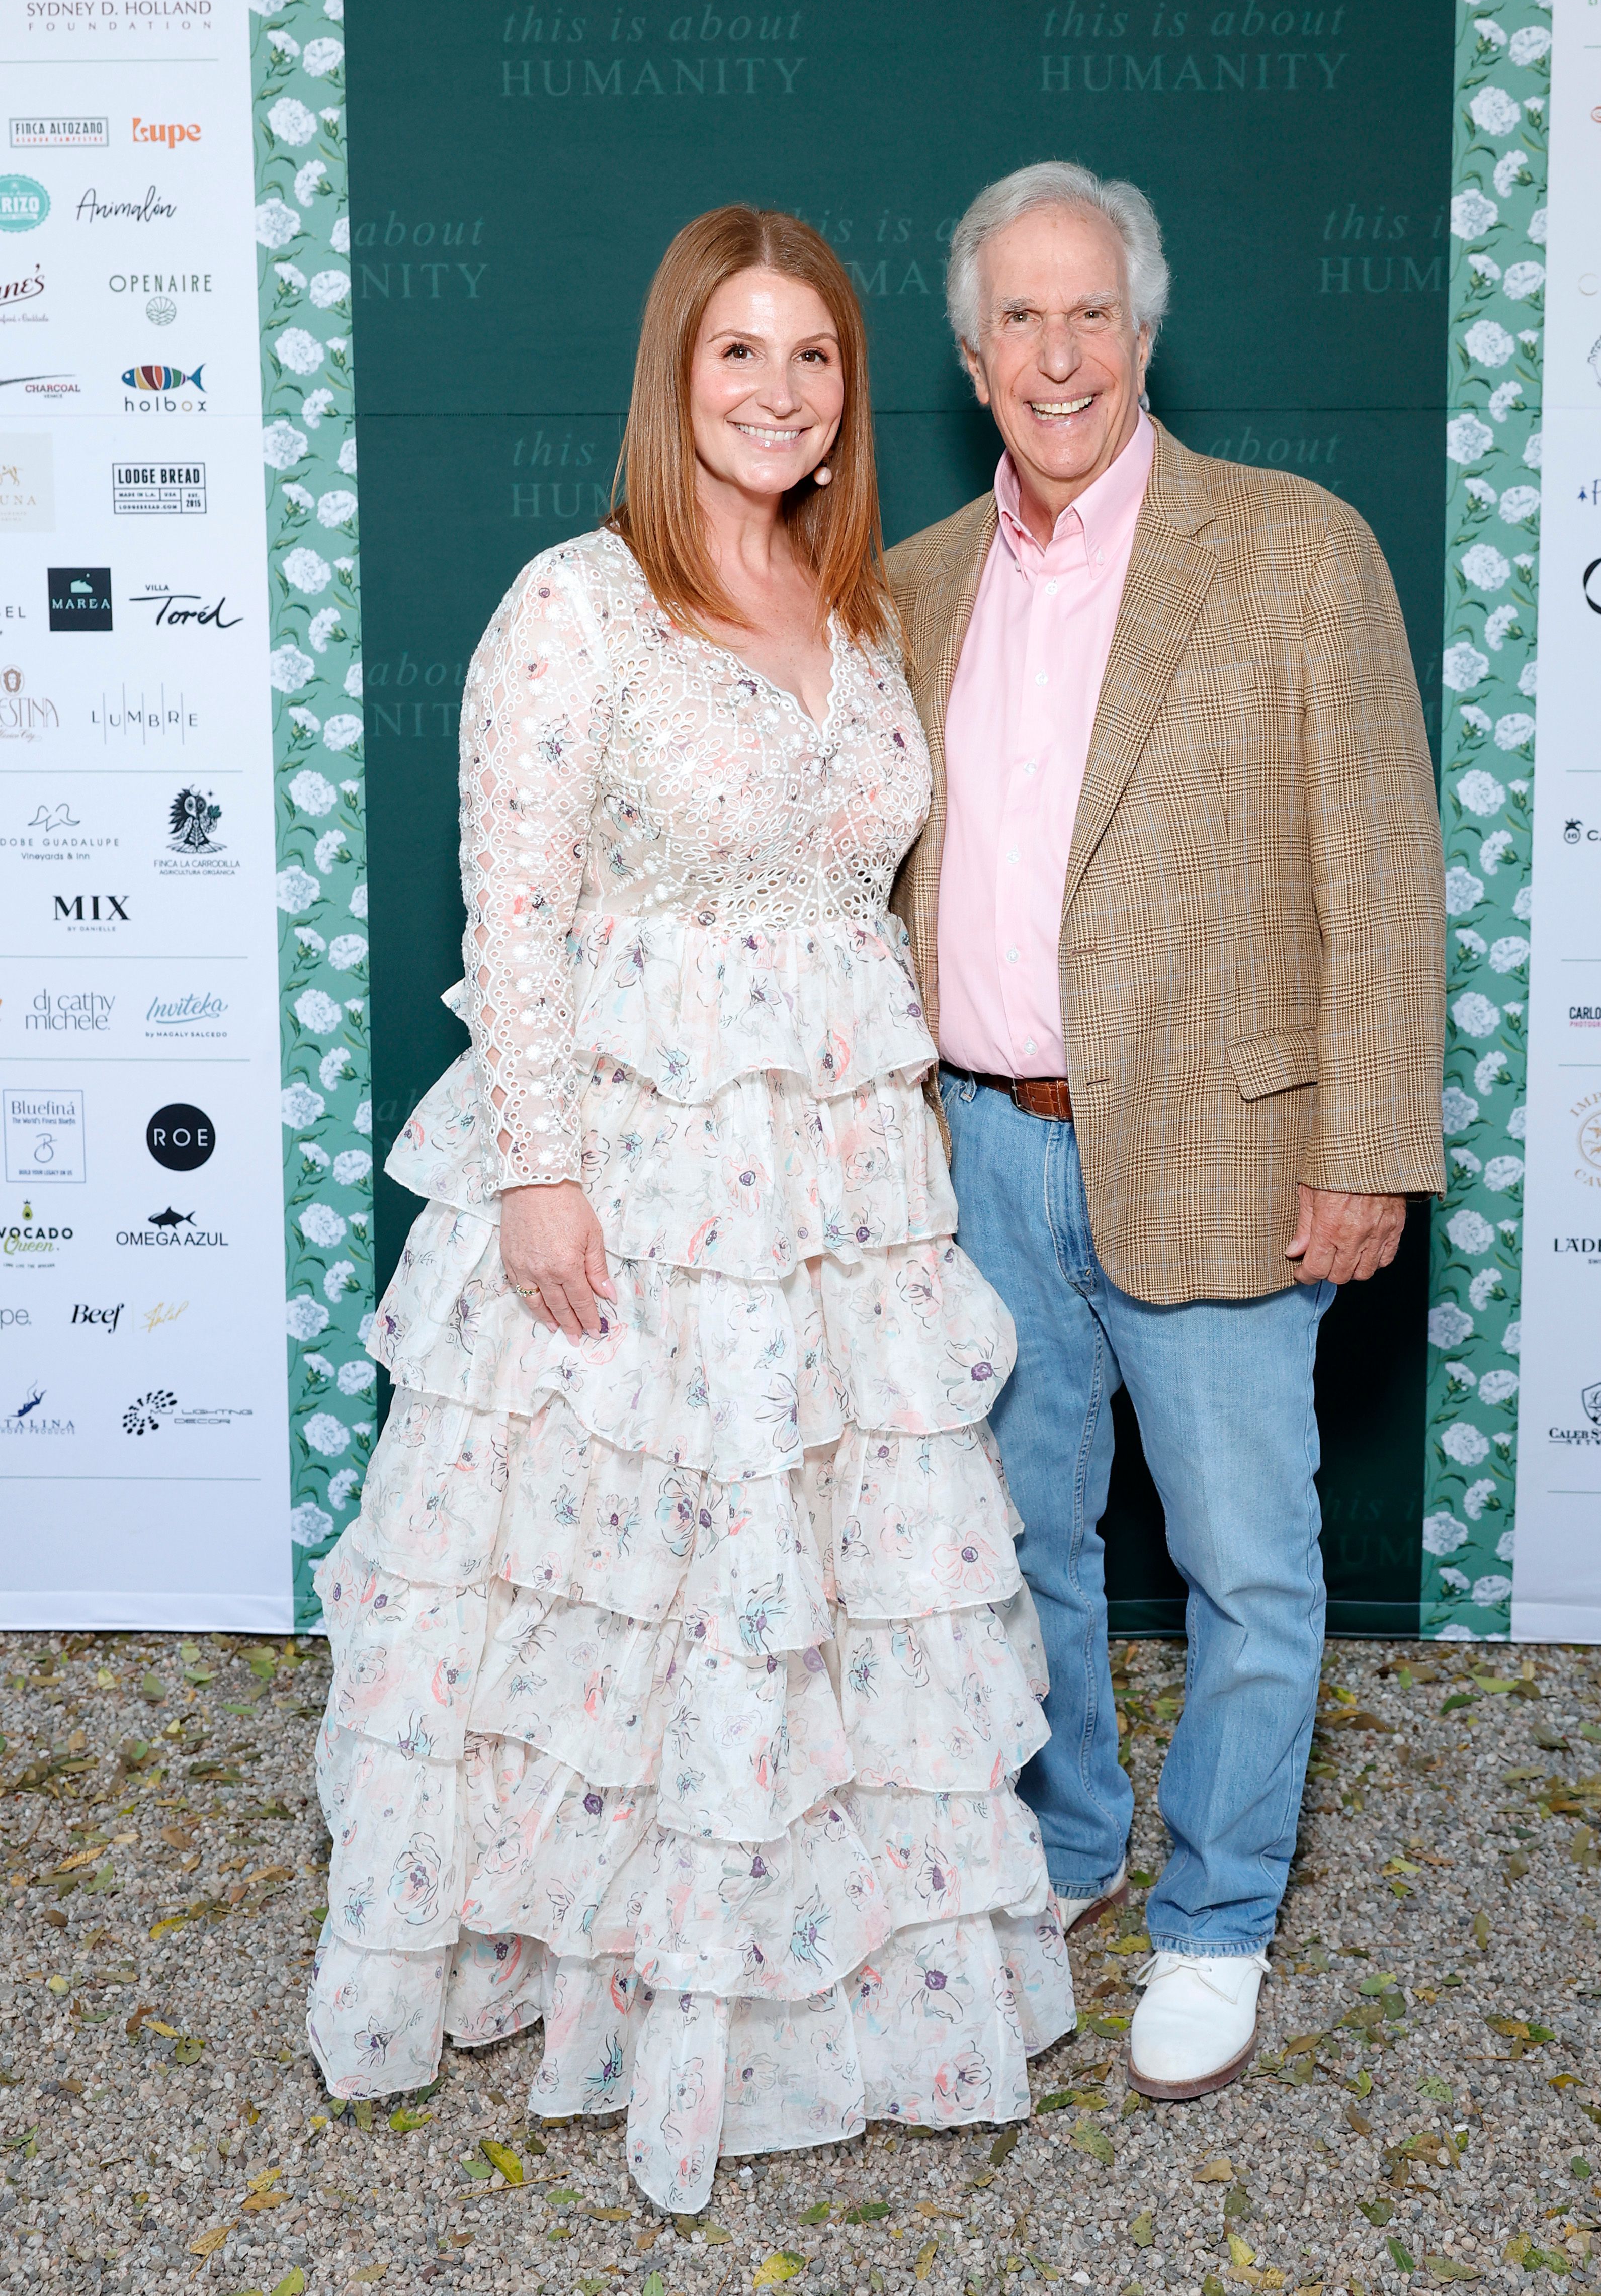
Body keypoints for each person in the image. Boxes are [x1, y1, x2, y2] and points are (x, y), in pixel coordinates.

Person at [307, 206, 1073, 2210]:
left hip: (835, 1182)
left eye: (811, 356)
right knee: (616, 1573)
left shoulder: (866, 613)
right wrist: (541, 1172)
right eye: (738, 353)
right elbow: (520, 909)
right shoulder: (576, 606)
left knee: (810, 1569)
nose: (778, 390)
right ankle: (591, 1972)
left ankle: (786, 1974)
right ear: (675, 378)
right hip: (637, 1170)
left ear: (845, 396)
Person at [886, 162, 1445, 2102]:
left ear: (1146, 330)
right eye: (1020, 321)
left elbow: (1383, 875)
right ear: (972, 358)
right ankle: (1061, 1840)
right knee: (1015, 1546)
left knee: (1249, 1566)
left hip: (1225, 1147)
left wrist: (1368, 1144)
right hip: (982, 1156)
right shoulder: (920, 578)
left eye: (1092, 312)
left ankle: (1217, 1919)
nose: (1060, 353)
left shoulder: (1294, 548)